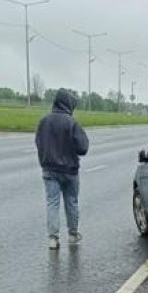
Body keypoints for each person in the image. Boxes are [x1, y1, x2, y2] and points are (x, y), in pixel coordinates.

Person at [35, 89, 90, 250]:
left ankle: (53, 238)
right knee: (71, 202)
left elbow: (38, 142)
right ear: (69, 105)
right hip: (70, 170)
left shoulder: (43, 121)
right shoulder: (71, 122)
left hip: (49, 169)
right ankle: (73, 235)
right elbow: (83, 148)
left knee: (52, 203)